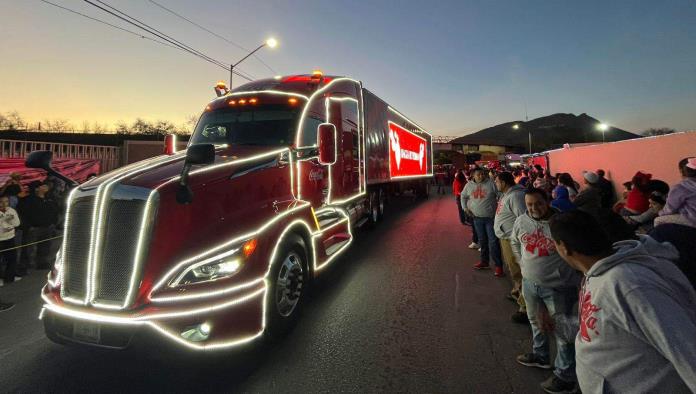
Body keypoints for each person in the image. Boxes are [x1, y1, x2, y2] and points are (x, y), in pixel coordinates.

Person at [549, 210, 696, 393]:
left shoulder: (631, 285)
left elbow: (687, 349)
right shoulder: (598, 271)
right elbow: (611, 322)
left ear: (564, 248)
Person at [511, 188, 580, 394]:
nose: (534, 208)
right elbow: (515, 242)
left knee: (562, 330)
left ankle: (565, 376)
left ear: (548, 201)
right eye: (530, 204)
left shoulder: (560, 224)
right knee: (535, 321)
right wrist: (522, 263)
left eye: (538, 203)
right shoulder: (521, 221)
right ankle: (541, 355)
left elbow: (575, 252)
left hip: (558, 287)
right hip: (530, 283)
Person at [493, 172, 528, 322]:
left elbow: (523, 219)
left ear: (503, 182)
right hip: (506, 238)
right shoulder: (507, 194)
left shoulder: (515, 196)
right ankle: (517, 293)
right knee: (513, 269)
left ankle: (525, 308)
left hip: (513, 240)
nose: (495, 184)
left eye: (496, 181)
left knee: (519, 272)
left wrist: (517, 239)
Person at [461, 168, 504, 276]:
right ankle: (485, 262)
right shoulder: (468, 185)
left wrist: (500, 208)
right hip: (476, 218)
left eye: (482, 174)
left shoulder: (491, 184)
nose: (481, 176)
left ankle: (498, 266)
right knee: (482, 241)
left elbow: (500, 195)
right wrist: (465, 208)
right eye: (478, 174)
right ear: (473, 176)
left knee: (493, 242)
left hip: (491, 218)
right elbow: (463, 196)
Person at [17, 180, 59, 271]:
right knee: (29, 248)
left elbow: (55, 209)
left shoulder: (49, 198)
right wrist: (28, 226)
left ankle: (42, 262)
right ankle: (27, 265)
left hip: (47, 226)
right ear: (36, 189)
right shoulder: (27, 200)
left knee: (45, 246)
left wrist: (53, 222)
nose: (45, 187)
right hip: (33, 228)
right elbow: (22, 214)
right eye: (42, 186)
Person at [655, 157, 696, 228]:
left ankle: (657, 237)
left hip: (692, 219)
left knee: (658, 220)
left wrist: (660, 213)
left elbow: (670, 209)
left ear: (681, 171)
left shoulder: (680, 187)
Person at [0, 196, 20, 286]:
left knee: (12, 259)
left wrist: (10, 220)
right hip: (0, 239)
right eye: (1, 202)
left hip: (10, 238)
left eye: (6, 201)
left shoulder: (11, 210)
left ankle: (9, 277)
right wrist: (4, 220)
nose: (4, 204)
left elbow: (17, 223)